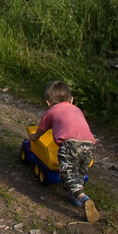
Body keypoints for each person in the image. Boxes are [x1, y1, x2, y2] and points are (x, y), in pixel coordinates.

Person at [30, 81, 100, 222]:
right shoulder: (76, 109)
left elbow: (41, 130)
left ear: (48, 103)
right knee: (79, 171)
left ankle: (82, 197)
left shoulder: (50, 112)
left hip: (70, 144)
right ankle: (74, 194)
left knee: (67, 171)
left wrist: (34, 137)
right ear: (72, 99)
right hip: (90, 143)